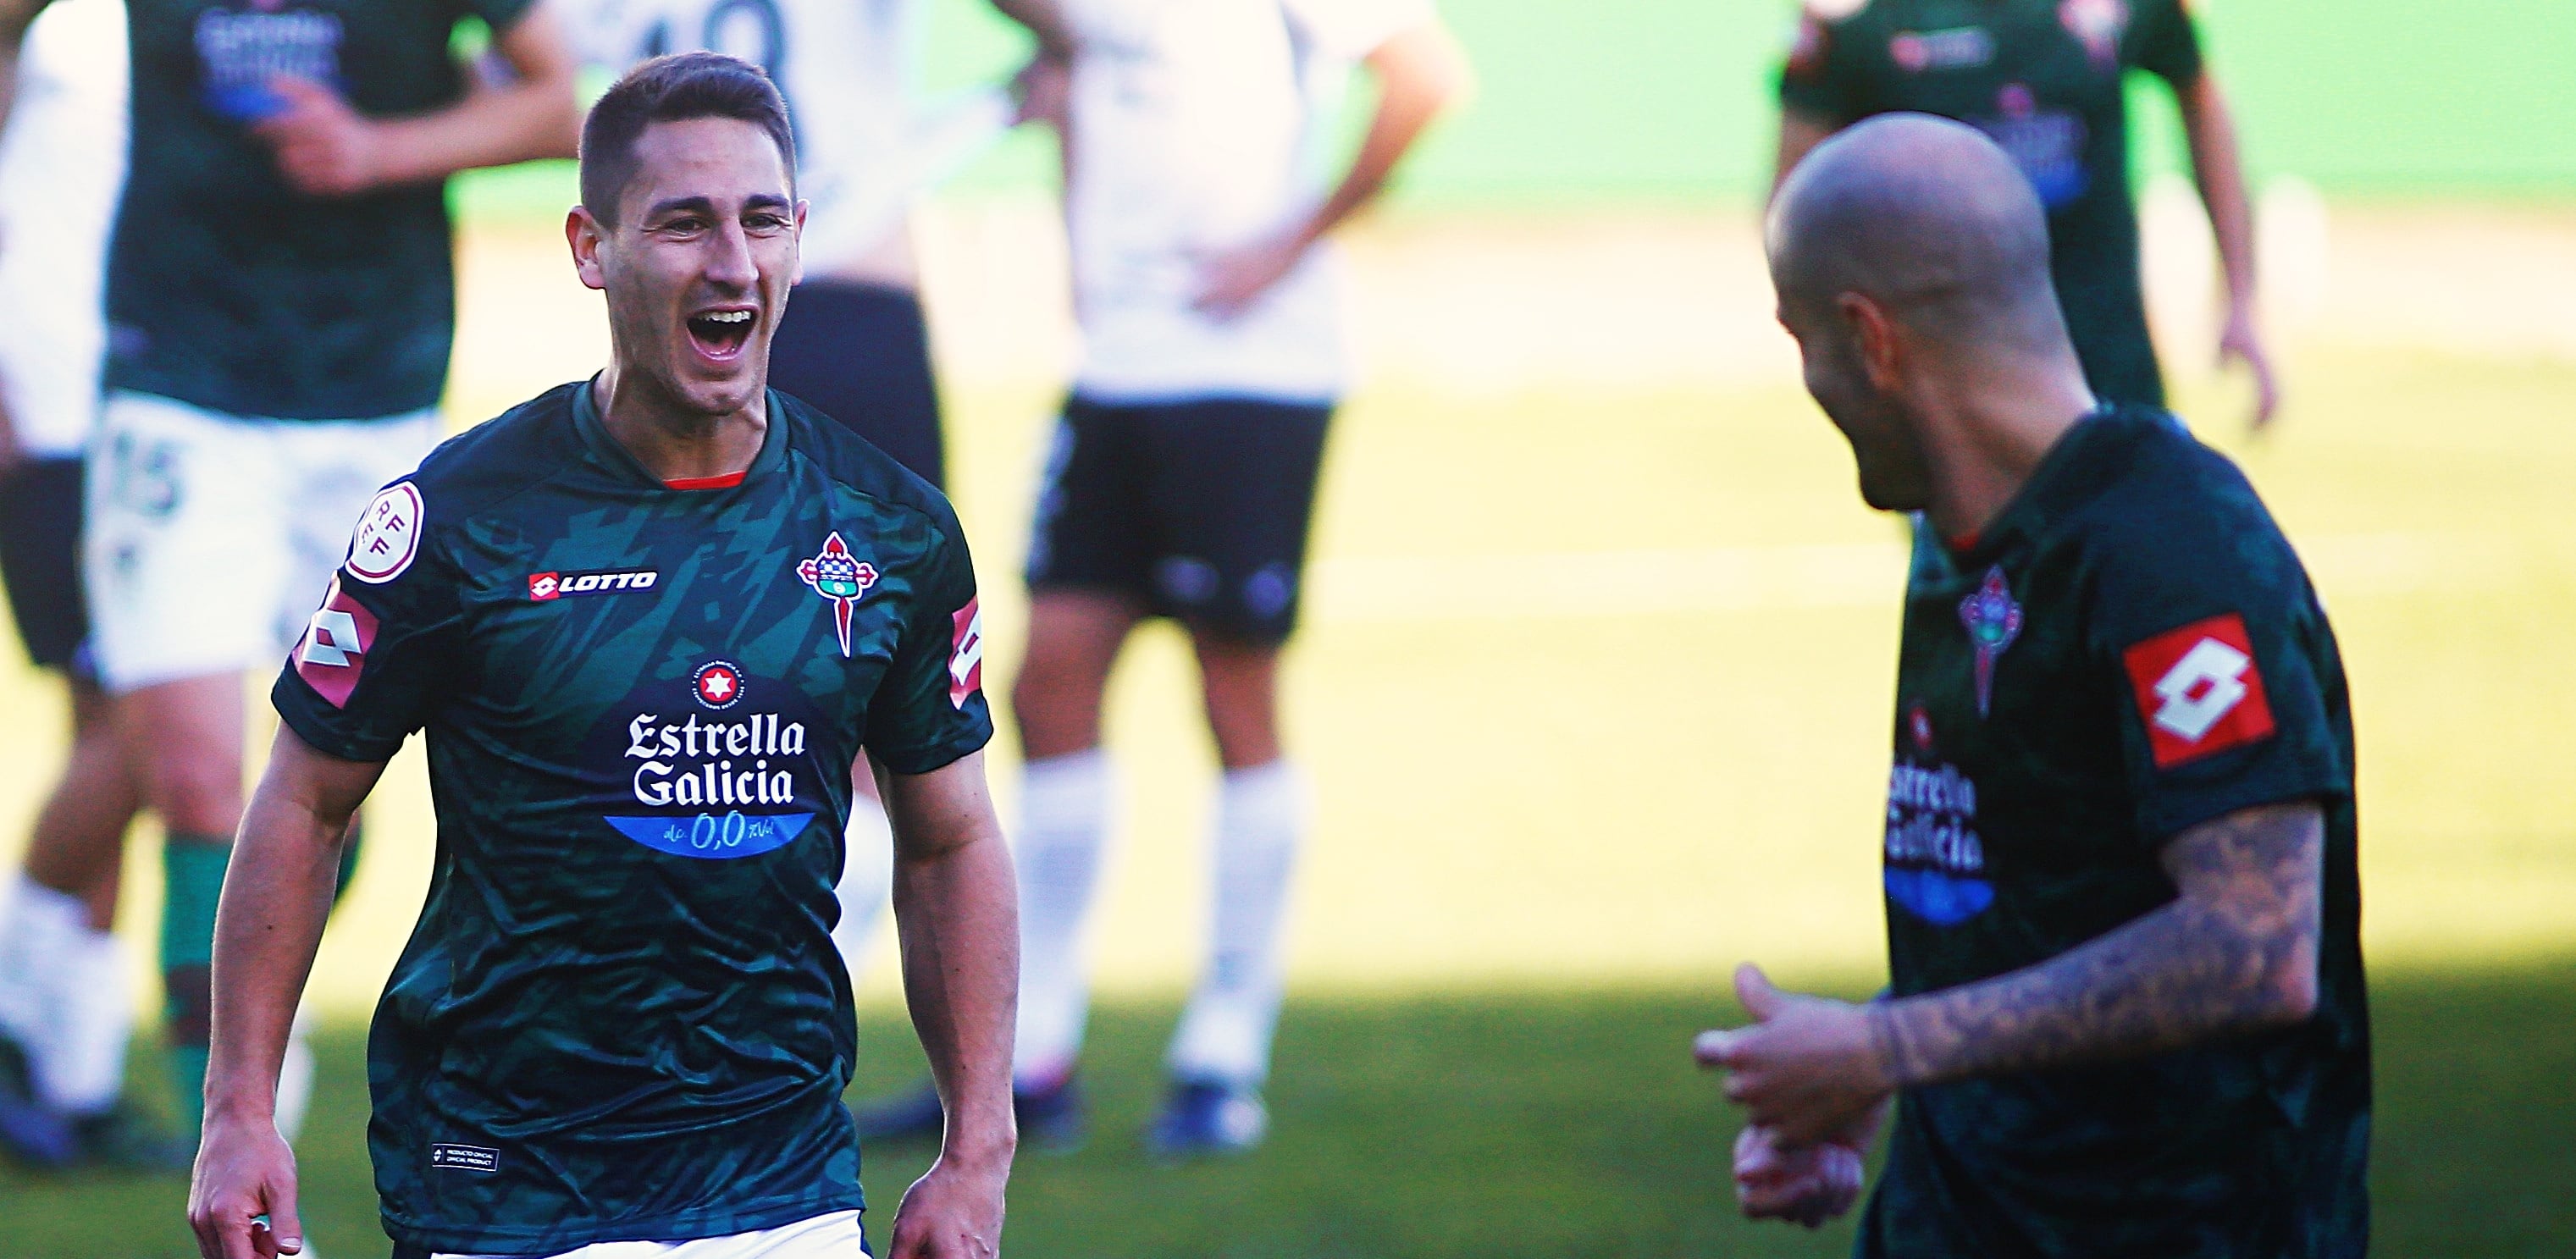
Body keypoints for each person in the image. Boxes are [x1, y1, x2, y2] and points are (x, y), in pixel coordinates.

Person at [185, 52, 1020, 1259]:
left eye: (762, 219)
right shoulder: (458, 521)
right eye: (682, 223)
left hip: (780, 1179)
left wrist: (975, 1150)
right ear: (590, 248)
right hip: (500, 1180)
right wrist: (237, 1109)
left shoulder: (888, 530)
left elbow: (949, 838)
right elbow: (303, 802)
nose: (731, 262)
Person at [1696, 113, 2367, 1256]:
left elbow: (2252, 941)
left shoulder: (2171, 555)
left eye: (1800, 337)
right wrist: (1878, 1059)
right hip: (1950, 1220)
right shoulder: (1960, 539)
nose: (1804, 376)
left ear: (1871, 339)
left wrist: (1887, 1047)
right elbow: (2044, 897)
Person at [849, 0, 1469, 1157]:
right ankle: (1035, 1056)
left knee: (1232, 697)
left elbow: (1427, 77)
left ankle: (1222, 1057)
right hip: (1117, 371)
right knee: (1047, 689)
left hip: (1245, 373)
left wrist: (1289, 241)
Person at [0, 0, 581, 1151]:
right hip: (178, 387)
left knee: (331, 787)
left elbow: (567, 99)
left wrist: (383, 150)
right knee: (202, 784)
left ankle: (95, 1013)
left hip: (377, 393)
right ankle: (240, 1152)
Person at [567, 0, 1059, 1008]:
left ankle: (754, 971)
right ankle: (811, 971)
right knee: (876, 680)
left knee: (700, 655)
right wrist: (1001, 98)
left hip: (683, 306)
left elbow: (531, 70)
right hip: (859, 292)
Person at [1774, 0, 2279, 427]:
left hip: (2106, 352)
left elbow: (2200, 94)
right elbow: (1797, 188)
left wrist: (2239, 298)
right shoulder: (1854, 17)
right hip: (1943, 373)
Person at [0, 0, 177, 1172]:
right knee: (145, 732)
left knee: (111, 732)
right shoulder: (51, 35)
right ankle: (18, 1002)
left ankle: (76, 1072)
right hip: (62, 417)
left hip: (163, 417)